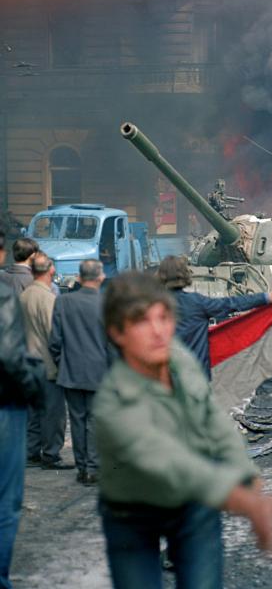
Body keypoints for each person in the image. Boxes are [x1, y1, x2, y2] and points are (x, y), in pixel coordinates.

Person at [94, 271, 272, 589]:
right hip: (133, 514)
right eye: (141, 321)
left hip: (194, 509)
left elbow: (214, 422)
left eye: (163, 318)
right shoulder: (112, 403)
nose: (157, 332)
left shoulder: (180, 360)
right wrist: (240, 498)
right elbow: (165, 462)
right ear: (117, 333)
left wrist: (246, 475)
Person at [0, 229, 44, 589]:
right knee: (5, 502)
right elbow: (10, 356)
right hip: (5, 402)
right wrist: (33, 391)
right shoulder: (18, 288)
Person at [157, 255, 272, 377]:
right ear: (185, 275)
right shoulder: (197, 303)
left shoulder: (151, 306)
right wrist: (265, 297)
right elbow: (231, 304)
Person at [49, 259, 110, 486]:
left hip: (70, 370)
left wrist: (63, 361)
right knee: (95, 420)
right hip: (99, 372)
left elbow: (54, 341)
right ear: (101, 277)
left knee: (77, 420)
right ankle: (93, 468)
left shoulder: (63, 302)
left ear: (79, 277)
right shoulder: (107, 304)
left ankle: (82, 466)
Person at [20, 252, 71, 470]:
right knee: (54, 412)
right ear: (51, 270)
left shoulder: (23, 296)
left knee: (32, 412)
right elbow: (54, 335)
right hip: (46, 363)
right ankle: (51, 454)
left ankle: (31, 452)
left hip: (26, 362)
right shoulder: (48, 298)